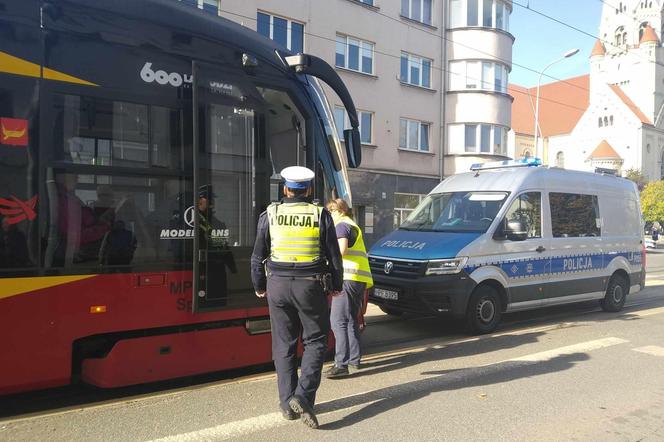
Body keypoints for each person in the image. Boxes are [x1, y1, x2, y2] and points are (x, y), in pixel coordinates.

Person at [250, 166, 343, 429]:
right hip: (310, 286)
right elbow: (334, 256)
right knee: (315, 341)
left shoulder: (271, 213)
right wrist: (337, 284)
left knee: (283, 344)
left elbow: (258, 256)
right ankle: (303, 396)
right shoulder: (319, 214)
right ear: (309, 189)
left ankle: (286, 404)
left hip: (277, 285)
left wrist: (259, 285)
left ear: (285, 188)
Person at [324, 198, 373, 379]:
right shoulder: (351, 224)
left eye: (331, 211)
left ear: (341, 211)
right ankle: (354, 360)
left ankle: (340, 364)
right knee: (351, 319)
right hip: (358, 278)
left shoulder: (342, 226)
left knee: (338, 320)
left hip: (347, 278)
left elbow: (341, 250)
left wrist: (327, 260)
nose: (329, 215)